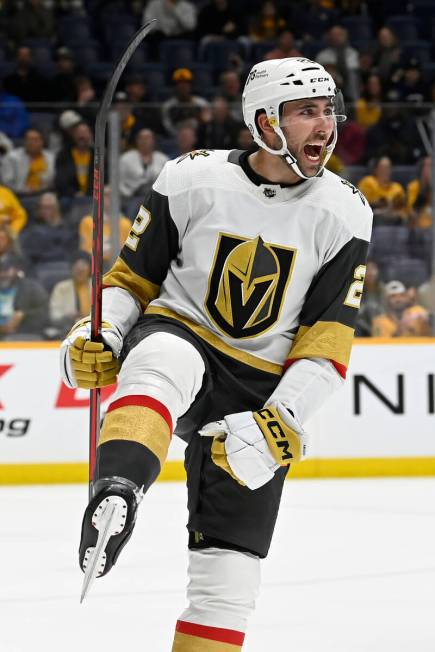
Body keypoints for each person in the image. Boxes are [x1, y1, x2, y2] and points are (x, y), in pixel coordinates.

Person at [60, 58, 372, 648]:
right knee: (160, 365)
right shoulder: (190, 178)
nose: (325, 124)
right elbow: (133, 281)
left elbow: (327, 337)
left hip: (262, 388)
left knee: (227, 586)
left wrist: (283, 418)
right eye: (306, 111)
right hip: (187, 334)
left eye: (328, 110)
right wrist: (99, 332)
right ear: (264, 120)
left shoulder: (345, 210)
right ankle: (119, 489)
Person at [79, 186, 131, 269]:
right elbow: (85, 251)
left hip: (117, 266)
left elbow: (127, 252)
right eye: (105, 195)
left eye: (112, 195)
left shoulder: (125, 223)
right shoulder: (87, 222)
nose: (109, 198)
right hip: (94, 266)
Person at [0, 253, 48, 340]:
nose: (2, 274)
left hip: (23, 335)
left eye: (6, 270)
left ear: (16, 269)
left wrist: (24, 315)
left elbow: (45, 315)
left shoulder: (32, 289)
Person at [2, 128, 55, 195]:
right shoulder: (11, 157)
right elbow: (7, 181)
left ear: (42, 141)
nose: (31, 143)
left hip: (45, 193)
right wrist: (24, 190)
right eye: (29, 139)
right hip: (19, 194)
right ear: (24, 141)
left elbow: (54, 180)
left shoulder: (51, 158)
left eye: (35, 140)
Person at [49, 252, 92, 336]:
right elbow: (54, 315)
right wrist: (67, 316)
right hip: (66, 330)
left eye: (83, 270)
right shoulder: (61, 288)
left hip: (92, 330)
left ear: (90, 269)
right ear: (71, 269)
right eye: (77, 270)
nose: (80, 272)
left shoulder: (99, 286)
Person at [119, 129, 168, 199]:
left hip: (157, 198)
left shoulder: (163, 159)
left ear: (153, 141)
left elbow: (167, 182)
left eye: (147, 138)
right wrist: (127, 195)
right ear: (136, 140)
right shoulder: (126, 158)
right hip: (132, 198)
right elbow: (118, 183)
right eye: (141, 138)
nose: (144, 141)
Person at [316, 25, 360, 101]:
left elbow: (351, 71)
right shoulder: (322, 55)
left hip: (348, 89)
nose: (337, 38)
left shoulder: (353, 53)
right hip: (329, 90)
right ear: (329, 37)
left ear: (345, 36)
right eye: (334, 35)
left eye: (339, 35)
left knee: (352, 76)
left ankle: (352, 104)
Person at [161, 68, 208, 137]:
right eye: (179, 83)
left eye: (186, 83)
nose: (183, 86)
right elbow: (168, 128)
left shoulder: (201, 104)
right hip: (177, 140)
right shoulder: (168, 106)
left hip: (198, 140)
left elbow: (206, 126)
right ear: (175, 86)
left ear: (191, 85)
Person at [54, 121, 94, 198]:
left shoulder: (99, 154)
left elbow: (104, 178)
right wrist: (74, 193)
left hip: (94, 197)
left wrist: (90, 194)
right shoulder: (63, 155)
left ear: (90, 135)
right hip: (70, 197)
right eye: (78, 132)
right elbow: (60, 180)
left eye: (84, 132)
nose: (81, 136)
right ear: (73, 135)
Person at [407, 157, 432, 229]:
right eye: (429, 166)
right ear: (422, 169)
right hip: (419, 228)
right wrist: (425, 186)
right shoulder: (413, 187)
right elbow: (412, 211)